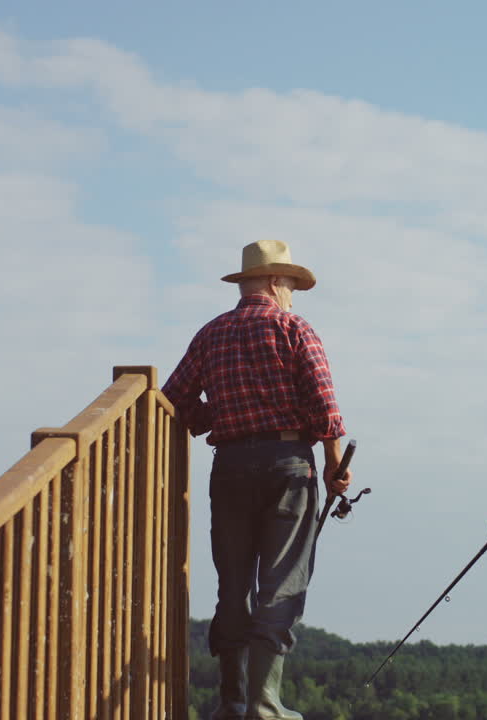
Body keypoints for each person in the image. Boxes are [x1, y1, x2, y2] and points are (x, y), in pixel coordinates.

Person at [162, 240, 351, 720]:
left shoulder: (212, 334)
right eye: (290, 284)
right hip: (288, 464)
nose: (291, 294)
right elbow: (326, 409)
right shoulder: (294, 328)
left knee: (233, 586)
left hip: (229, 468)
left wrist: (212, 416)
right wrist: (333, 467)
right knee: (281, 586)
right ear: (273, 281)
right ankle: (265, 706)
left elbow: (174, 398)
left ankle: (231, 705)